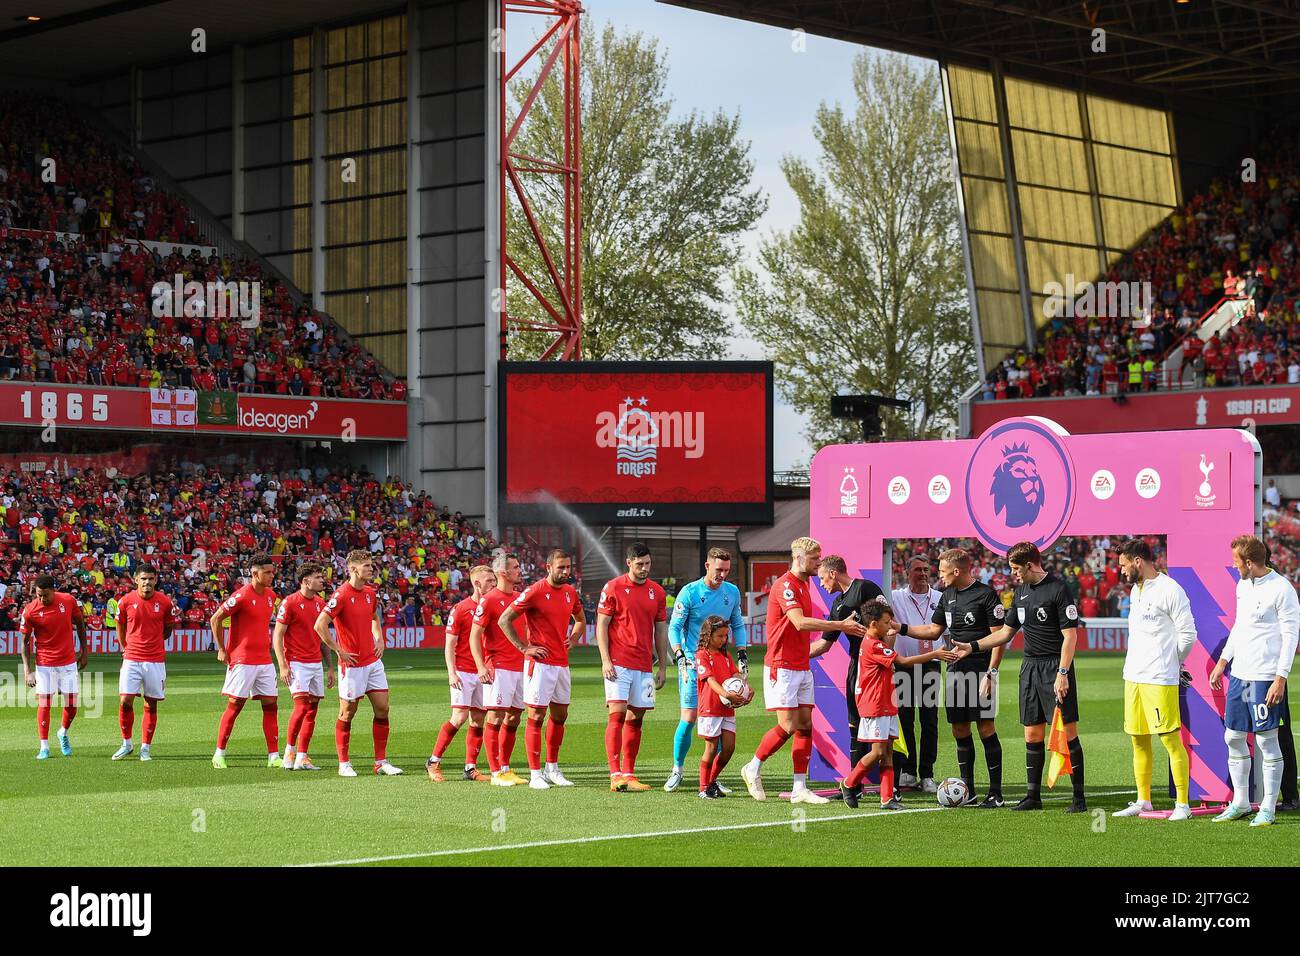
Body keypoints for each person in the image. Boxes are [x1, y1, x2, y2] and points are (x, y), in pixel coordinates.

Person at [952, 541, 1087, 812]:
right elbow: (1005, 633)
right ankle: (1032, 797)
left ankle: (1079, 799)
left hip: (1054, 667)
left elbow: (1070, 636)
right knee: (1032, 733)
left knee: (1068, 732)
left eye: (1016, 569)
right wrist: (973, 646)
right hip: (1029, 668)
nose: (1013, 574)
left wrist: (1062, 673)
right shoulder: (1021, 591)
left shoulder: (1058, 589)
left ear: (1029, 564)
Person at [739, 536, 868, 805]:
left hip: (800, 665)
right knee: (787, 726)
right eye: (814, 559)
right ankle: (752, 766)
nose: (818, 563)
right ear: (799, 559)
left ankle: (799, 787)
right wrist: (839, 626)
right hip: (782, 666)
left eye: (820, 558)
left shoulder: (804, 584)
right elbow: (798, 622)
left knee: (806, 726)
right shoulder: (785, 585)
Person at [896, 548, 1007, 807]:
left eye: (943, 572)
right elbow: (933, 630)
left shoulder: (986, 595)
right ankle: (968, 791)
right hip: (956, 672)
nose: (940, 576)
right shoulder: (947, 596)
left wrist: (992, 673)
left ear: (957, 571)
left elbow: (999, 638)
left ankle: (996, 793)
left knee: (986, 728)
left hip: (981, 671)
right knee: (959, 729)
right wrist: (900, 628)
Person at [1209, 535, 1299, 826]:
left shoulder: (1282, 589)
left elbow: (1290, 637)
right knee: (1233, 737)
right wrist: (1224, 660)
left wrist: (1280, 678)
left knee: (1266, 741)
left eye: (1236, 562)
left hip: (1264, 678)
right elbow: (1240, 625)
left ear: (1250, 562)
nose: (1234, 567)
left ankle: (1269, 808)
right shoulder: (1243, 586)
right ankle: (1241, 802)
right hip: (1240, 675)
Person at [837, 602, 955, 809]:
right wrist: (935, 654)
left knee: (888, 752)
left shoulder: (872, 640)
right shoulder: (874, 645)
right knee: (878, 752)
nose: (890, 625)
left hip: (886, 703)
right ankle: (848, 783)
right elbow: (903, 661)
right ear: (874, 624)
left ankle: (887, 798)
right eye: (886, 622)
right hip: (875, 704)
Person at [1110, 539, 1196, 821]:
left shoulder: (1171, 590)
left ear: (1137, 561)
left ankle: (1182, 805)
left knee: (1171, 741)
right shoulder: (1136, 590)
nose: (1121, 571)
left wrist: (1173, 663)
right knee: (1138, 739)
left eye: (1123, 565)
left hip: (1159, 678)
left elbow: (1188, 634)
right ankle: (1143, 800)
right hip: (1133, 675)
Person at [499, 548, 586, 789]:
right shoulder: (535, 591)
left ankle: (553, 769)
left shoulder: (570, 592)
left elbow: (580, 619)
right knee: (536, 716)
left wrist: (575, 637)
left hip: (561, 664)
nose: (566, 571)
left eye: (568, 567)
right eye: (561, 567)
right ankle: (535, 773)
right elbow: (504, 619)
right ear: (548, 567)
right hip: (540, 665)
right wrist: (523, 648)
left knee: (560, 716)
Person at [664, 547, 748, 792]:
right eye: (718, 569)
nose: (722, 574)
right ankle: (677, 770)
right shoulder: (690, 592)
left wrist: (741, 653)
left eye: (726, 570)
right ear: (707, 566)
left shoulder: (731, 592)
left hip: (720, 664)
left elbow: (738, 624)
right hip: (693, 663)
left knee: (721, 722)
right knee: (689, 718)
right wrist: (679, 654)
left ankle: (712, 778)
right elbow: (674, 627)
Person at [315, 550, 403, 778]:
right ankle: (344, 763)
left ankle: (380, 762)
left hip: (372, 662)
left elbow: (375, 617)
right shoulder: (341, 595)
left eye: (371, 565)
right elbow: (320, 624)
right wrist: (338, 650)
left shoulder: (370, 593)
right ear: (353, 569)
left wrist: (379, 637)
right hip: (352, 665)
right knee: (347, 712)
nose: (371, 569)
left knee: (383, 709)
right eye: (367, 566)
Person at [597, 542, 669, 792]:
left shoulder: (657, 592)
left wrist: (662, 666)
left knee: (637, 717)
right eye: (639, 564)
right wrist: (605, 660)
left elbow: (660, 629)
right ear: (629, 563)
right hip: (618, 663)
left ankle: (629, 773)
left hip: (644, 665)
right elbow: (602, 625)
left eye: (647, 564)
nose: (644, 568)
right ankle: (615, 774)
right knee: (616, 714)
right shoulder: (613, 587)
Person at [816, 554, 888, 803]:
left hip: (876, 667)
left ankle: (894, 785)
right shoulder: (837, 606)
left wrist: (886, 658)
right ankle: (854, 784)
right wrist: (794, 656)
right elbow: (824, 645)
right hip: (856, 667)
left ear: (833, 573)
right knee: (854, 724)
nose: (821, 583)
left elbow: (889, 624)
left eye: (822, 577)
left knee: (884, 729)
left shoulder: (865, 588)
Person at [210, 554, 282, 769]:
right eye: (267, 572)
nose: (271, 575)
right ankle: (219, 754)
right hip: (242, 661)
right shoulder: (241, 596)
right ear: (254, 573)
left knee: (271, 706)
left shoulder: (271, 596)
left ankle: (273, 756)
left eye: (272, 571)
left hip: (264, 660)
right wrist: (222, 649)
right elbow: (216, 619)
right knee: (235, 706)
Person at [426, 564, 494, 782]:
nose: (493, 584)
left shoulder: (493, 607)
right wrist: (451, 673)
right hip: (463, 672)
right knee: (459, 717)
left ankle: (470, 768)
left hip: (483, 672)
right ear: (477, 583)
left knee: (478, 719)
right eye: (489, 581)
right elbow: (449, 645)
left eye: (494, 580)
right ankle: (433, 761)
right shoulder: (461, 609)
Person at [468, 550, 529, 787]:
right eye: (515, 567)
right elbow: (475, 636)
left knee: (514, 716)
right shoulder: (489, 600)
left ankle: (505, 767)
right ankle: (495, 773)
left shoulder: (521, 597)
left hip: (520, 666)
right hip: (499, 667)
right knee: (494, 716)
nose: (519, 571)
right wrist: (481, 665)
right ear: (503, 572)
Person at [889, 555, 943, 793]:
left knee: (930, 720)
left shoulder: (940, 598)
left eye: (926, 570)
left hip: (931, 665)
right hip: (904, 666)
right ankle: (908, 771)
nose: (922, 574)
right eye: (918, 570)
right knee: (905, 719)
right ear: (906, 572)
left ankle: (928, 774)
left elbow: (947, 633)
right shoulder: (895, 596)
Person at [20, 573, 88, 759]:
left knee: (72, 706)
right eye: (38, 594)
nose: (41, 598)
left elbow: (80, 625)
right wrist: (28, 671)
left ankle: (63, 733)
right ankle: (44, 746)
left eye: (45, 595)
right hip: (45, 663)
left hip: (68, 661)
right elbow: (24, 642)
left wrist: (84, 652)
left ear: (53, 591)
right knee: (44, 704)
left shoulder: (68, 601)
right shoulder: (30, 610)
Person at [113, 564, 177, 761]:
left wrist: (154, 642)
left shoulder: (165, 603)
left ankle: (146, 748)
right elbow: (120, 626)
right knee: (125, 701)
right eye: (143, 579)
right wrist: (126, 647)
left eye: (150, 578)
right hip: (131, 658)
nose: (147, 582)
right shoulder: (125, 602)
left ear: (156, 580)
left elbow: (168, 629)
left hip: (155, 660)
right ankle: (127, 743)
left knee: (151, 704)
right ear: (136, 580)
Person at [273, 562, 332, 771]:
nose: (322, 580)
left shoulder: (319, 603)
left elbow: (323, 636)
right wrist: (283, 665)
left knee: (312, 710)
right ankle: (289, 751)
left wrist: (330, 667)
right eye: (318, 577)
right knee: (301, 707)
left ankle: (302, 757)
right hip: (297, 663)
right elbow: (277, 635)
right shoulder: (289, 603)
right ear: (306, 581)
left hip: (315, 663)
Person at [694, 615, 746, 799]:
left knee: (729, 747)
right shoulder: (702, 655)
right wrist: (726, 694)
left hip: (727, 708)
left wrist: (747, 689)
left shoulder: (725, 655)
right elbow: (710, 680)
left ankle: (711, 781)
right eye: (720, 636)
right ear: (708, 636)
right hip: (710, 707)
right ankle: (703, 788)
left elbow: (734, 674)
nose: (724, 640)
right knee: (711, 748)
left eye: (726, 636)